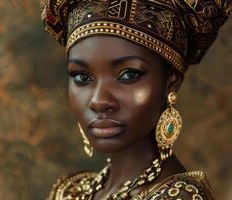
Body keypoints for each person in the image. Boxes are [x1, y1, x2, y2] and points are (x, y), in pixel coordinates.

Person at [41, 0, 231, 199]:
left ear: (170, 83)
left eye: (129, 75)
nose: (99, 100)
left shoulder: (178, 196)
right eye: (81, 77)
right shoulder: (71, 191)